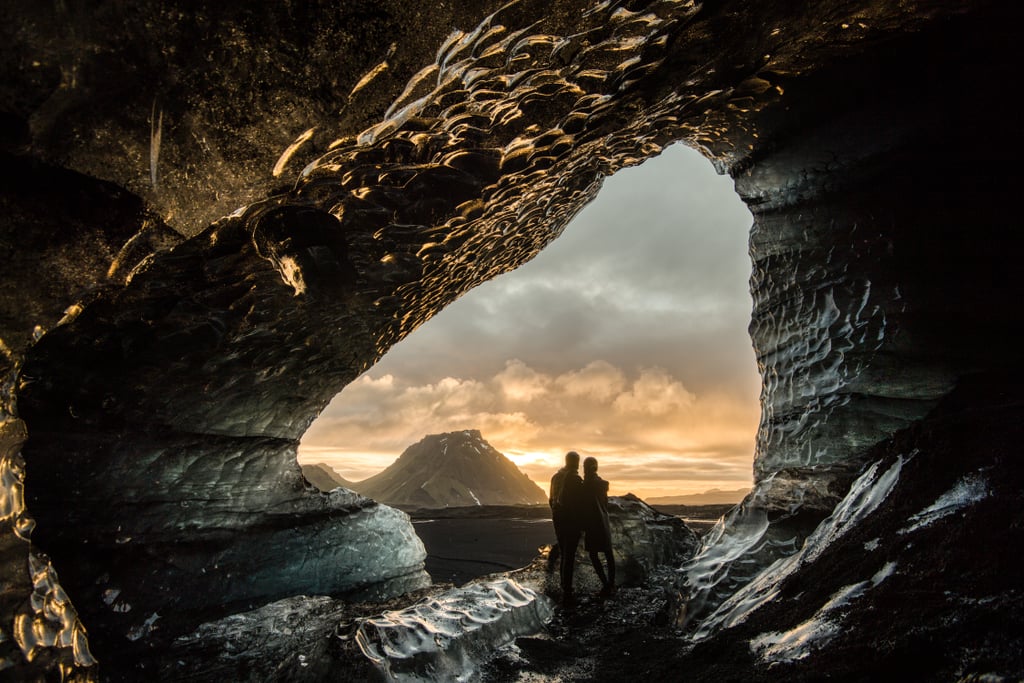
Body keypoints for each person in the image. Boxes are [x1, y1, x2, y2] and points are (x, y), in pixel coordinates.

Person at [549, 451, 584, 607]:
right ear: (576, 462)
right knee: (569, 555)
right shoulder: (575, 479)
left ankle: (563, 585)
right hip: (571, 521)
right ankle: (567, 592)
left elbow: (551, 500)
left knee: (564, 552)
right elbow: (579, 503)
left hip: (558, 519)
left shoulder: (555, 477)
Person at [581, 456, 616, 598]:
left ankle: (606, 585)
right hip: (604, 521)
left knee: (593, 554)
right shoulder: (601, 484)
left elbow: (583, 506)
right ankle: (610, 583)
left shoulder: (586, 484)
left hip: (593, 523)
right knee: (608, 553)